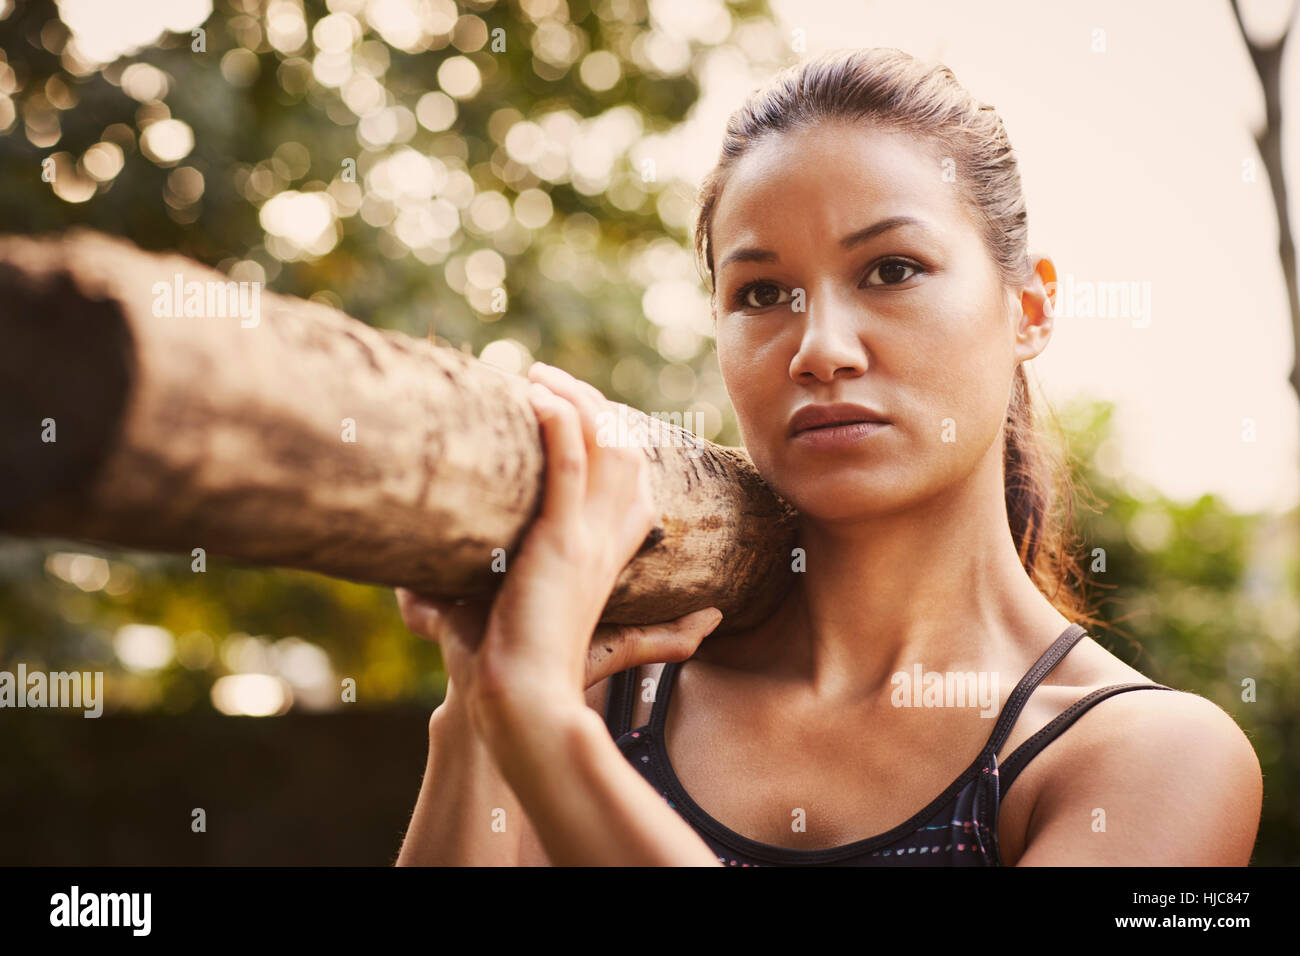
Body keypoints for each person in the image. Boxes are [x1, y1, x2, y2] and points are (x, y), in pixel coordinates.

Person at [392, 47, 1262, 866]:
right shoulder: (608, 694)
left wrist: (542, 730)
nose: (822, 348)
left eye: (891, 269)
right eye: (763, 293)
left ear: (1029, 308)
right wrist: (477, 706)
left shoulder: (1150, 758)